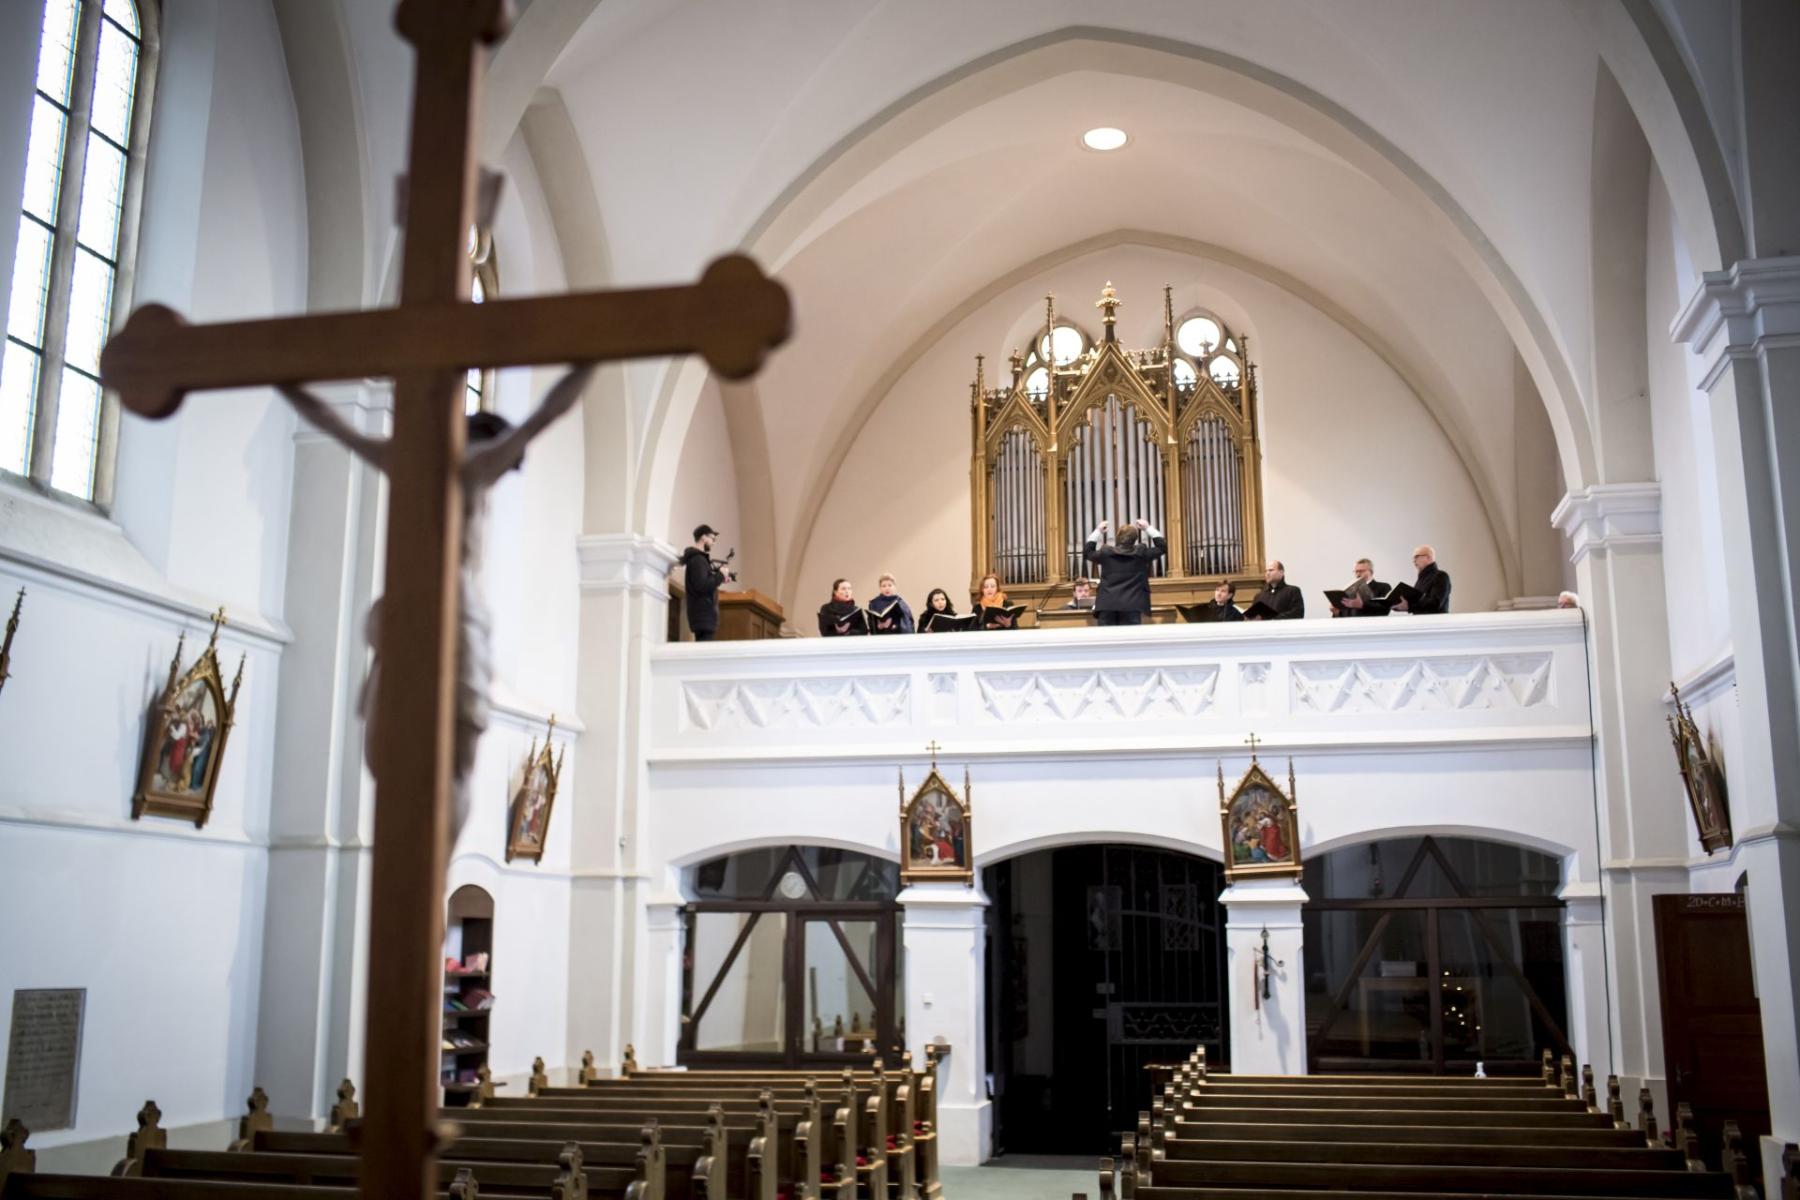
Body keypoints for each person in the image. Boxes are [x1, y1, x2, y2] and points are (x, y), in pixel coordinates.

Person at [280, 362, 596, 854]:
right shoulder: (473, 467)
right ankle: (432, 866)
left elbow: (327, 419)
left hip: (400, 607)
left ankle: (415, 858)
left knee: (388, 754)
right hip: (453, 613)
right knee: (457, 759)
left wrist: (280, 376)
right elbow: (547, 413)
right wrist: (594, 358)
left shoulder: (402, 457)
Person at [1084, 518, 1167, 626]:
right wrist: (1147, 528)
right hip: (1131, 606)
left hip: (1107, 605)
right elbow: (1162, 548)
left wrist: (1098, 531)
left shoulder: (1106, 553)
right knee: (1128, 641)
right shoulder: (1141, 553)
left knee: (1106, 641)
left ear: (1117, 538)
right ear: (1135, 539)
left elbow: (1087, 552)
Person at [678, 524, 733, 641]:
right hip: (703, 617)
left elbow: (704, 582)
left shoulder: (698, 559)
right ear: (703, 537)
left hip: (703, 618)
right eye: (712, 539)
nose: (713, 542)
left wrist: (720, 578)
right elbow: (702, 585)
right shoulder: (698, 559)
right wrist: (720, 575)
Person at [1394, 545, 1452, 614]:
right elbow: (1418, 602)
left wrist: (1409, 606)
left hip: (1434, 623)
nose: (1413, 560)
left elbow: (1435, 603)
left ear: (1428, 557)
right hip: (1421, 622)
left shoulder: (1441, 576)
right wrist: (1399, 604)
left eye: (1416, 556)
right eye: (1413, 558)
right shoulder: (1421, 579)